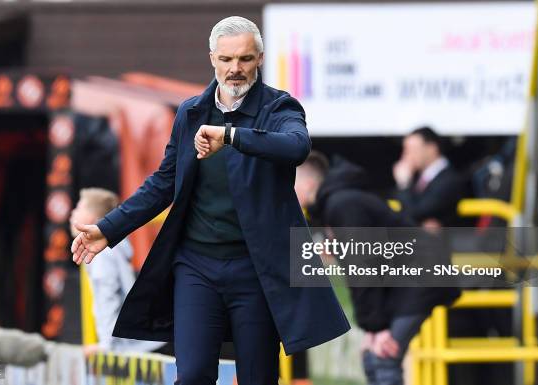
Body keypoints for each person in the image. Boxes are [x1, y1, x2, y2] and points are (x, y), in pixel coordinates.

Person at [70, 16, 350, 385]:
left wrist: (231, 135)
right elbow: (162, 183)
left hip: (255, 270)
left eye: (246, 59)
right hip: (197, 266)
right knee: (193, 375)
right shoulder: (190, 113)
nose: (236, 69)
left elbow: (297, 147)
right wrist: (109, 229)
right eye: (227, 59)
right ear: (212, 59)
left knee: (258, 377)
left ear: (260, 59)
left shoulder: (280, 108)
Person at [296, 151, 460, 385]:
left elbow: (362, 268)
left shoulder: (343, 204)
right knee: (373, 358)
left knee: (383, 357)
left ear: (309, 183)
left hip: (421, 278)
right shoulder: (338, 203)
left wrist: (377, 327)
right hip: (406, 282)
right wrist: (373, 329)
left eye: (290, 185)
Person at [69, 188, 166, 355]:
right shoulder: (113, 247)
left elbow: (108, 295)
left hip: (132, 347)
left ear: (92, 219)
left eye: (79, 208)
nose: (72, 213)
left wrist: (106, 346)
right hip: (143, 342)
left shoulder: (101, 253)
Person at [392, 126, 464, 228]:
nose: (406, 155)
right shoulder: (416, 178)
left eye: (412, 150)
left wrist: (404, 184)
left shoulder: (449, 180)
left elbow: (416, 213)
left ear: (431, 148)